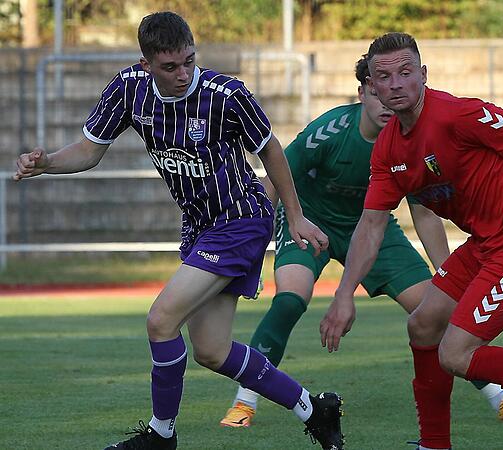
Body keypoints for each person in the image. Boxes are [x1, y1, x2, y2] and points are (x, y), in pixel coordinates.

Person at [12, 12, 343, 450]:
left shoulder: (226, 95)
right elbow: (91, 150)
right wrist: (47, 163)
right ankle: (314, 409)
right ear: (146, 63)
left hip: (241, 220)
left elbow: (271, 150)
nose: (184, 73)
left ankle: (161, 435)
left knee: (161, 320)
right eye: (171, 67)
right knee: (212, 350)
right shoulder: (129, 88)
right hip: (201, 228)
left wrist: (296, 215)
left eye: (190, 61)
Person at [319, 32, 503, 450]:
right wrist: (344, 293)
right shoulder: (387, 148)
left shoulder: (456, 115)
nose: (396, 83)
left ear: (423, 75)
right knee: (422, 324)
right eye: (384, 77)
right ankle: (434, 444)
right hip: (487, 244)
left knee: (456, 354)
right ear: (371, 86)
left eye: (406, 73)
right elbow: (370, 225)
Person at [219, 55, 503, 428]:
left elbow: (424, 212)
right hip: (312, 221)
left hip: (374, 228)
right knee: (291, 299)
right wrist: (256, 246)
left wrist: (446, 272)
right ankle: (245, 402)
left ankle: (501, 398)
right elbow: (276, 178)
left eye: (393, 89)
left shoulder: (411, 139)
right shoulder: (330, 130)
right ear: (362, 93)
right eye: (376, 92)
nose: (386, 100)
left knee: (434, 313)